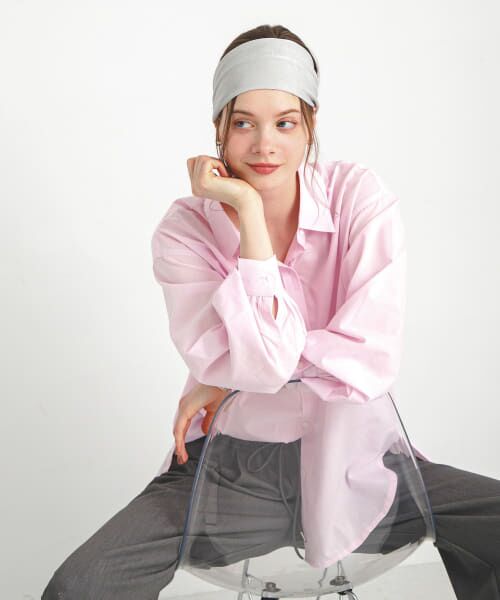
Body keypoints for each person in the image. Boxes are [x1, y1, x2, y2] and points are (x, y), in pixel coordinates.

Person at [42, 24, 500, 600]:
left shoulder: (357, 198)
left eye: (285, 123)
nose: (264, 145)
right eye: (243, 124)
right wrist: (250, 219)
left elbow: (371, 359)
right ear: (219, 129)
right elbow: (275, 365)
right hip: (233, 473)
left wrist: (229, 374)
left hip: (360, 461)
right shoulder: (185, 231)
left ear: (310, 126)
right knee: (84, 584)